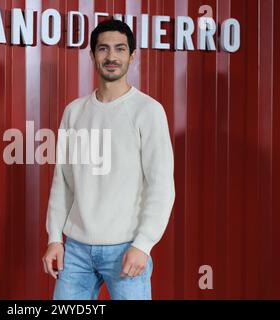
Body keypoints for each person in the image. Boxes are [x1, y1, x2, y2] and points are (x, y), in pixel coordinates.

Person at [41, 18, 175, 300]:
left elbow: (161, 185)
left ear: (132, 56)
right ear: (92, 55)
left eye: (120, 49)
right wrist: (55, 238)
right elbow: (62, 182)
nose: (111, 57)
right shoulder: (74, 112)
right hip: (75, 250)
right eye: (103, 49)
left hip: (127, 248)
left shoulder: (148, 111)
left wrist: (144, 244)